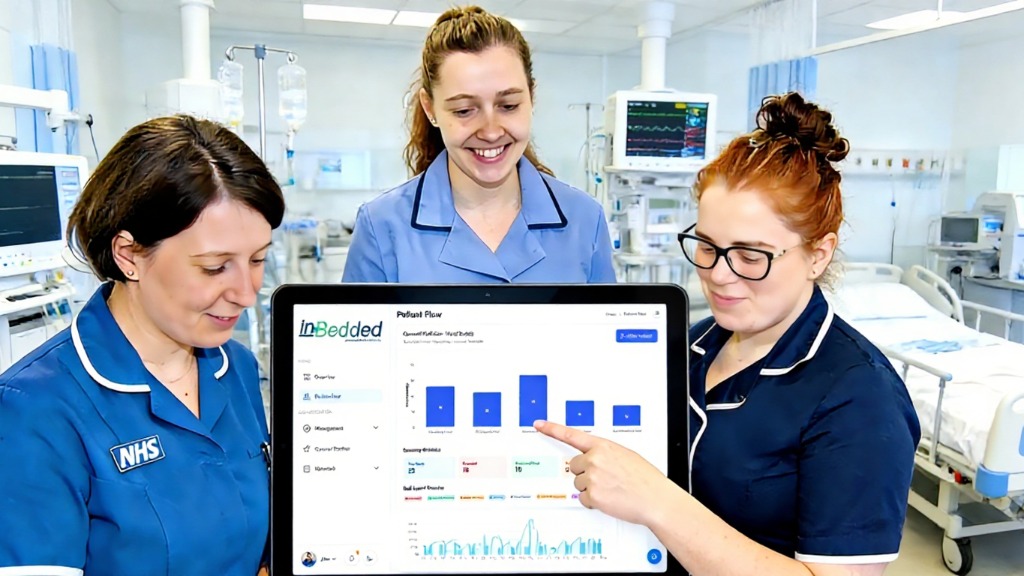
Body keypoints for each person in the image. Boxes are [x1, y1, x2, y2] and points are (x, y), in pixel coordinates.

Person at [535, 93, 921, 575]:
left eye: (750, 256)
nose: (719, 275)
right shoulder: (697, 345)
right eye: (707, 246)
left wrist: (657, 500)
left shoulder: (859, 397)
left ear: (819, 254)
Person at [0, 115, 284, 576]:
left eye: (257, 260)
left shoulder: (236, 369)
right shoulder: (34, 410)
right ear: (129, 255)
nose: (246, 294)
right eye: (214, 268)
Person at [342, 5, 615, 284]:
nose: (491, 131)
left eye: (508, 105)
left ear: (531, 97)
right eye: (464, 110)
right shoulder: (381, 226)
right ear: (430, 108)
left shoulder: (585, 220)